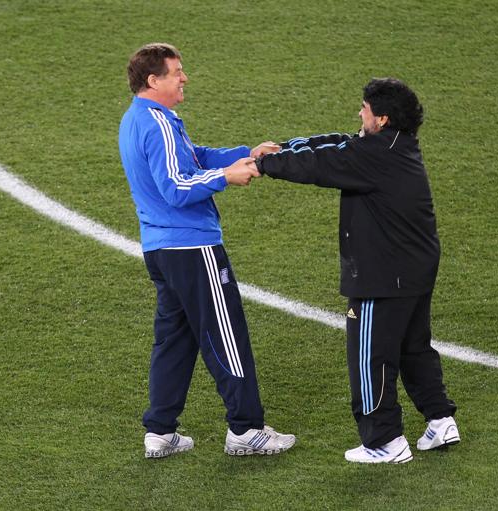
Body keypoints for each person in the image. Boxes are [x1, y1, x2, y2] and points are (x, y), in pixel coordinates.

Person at [256, 78, 459, 464]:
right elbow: (337, 143)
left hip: (383, 276)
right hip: (414, 268)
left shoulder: (374, 155)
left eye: (364, 108)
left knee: (370, 358)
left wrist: (264, 164)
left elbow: (321, 164)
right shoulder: (394, 145)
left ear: (381, 119)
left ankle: (384, 441)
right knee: (413, 348)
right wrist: (286, 146)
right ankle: (440, 420)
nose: (359, 113)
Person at [118, 43, 294, 458]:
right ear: (153, 80)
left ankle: (160, 431)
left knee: (174, 340)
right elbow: (177, 186)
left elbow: (192, 158)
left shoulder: (139, 119)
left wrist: (243, 155)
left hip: (162, 249)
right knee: (226, 334)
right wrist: (226, 178)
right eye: (177, 72)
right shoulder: (157, 123)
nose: (184, 78)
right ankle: (246, 429)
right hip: (192, 246)